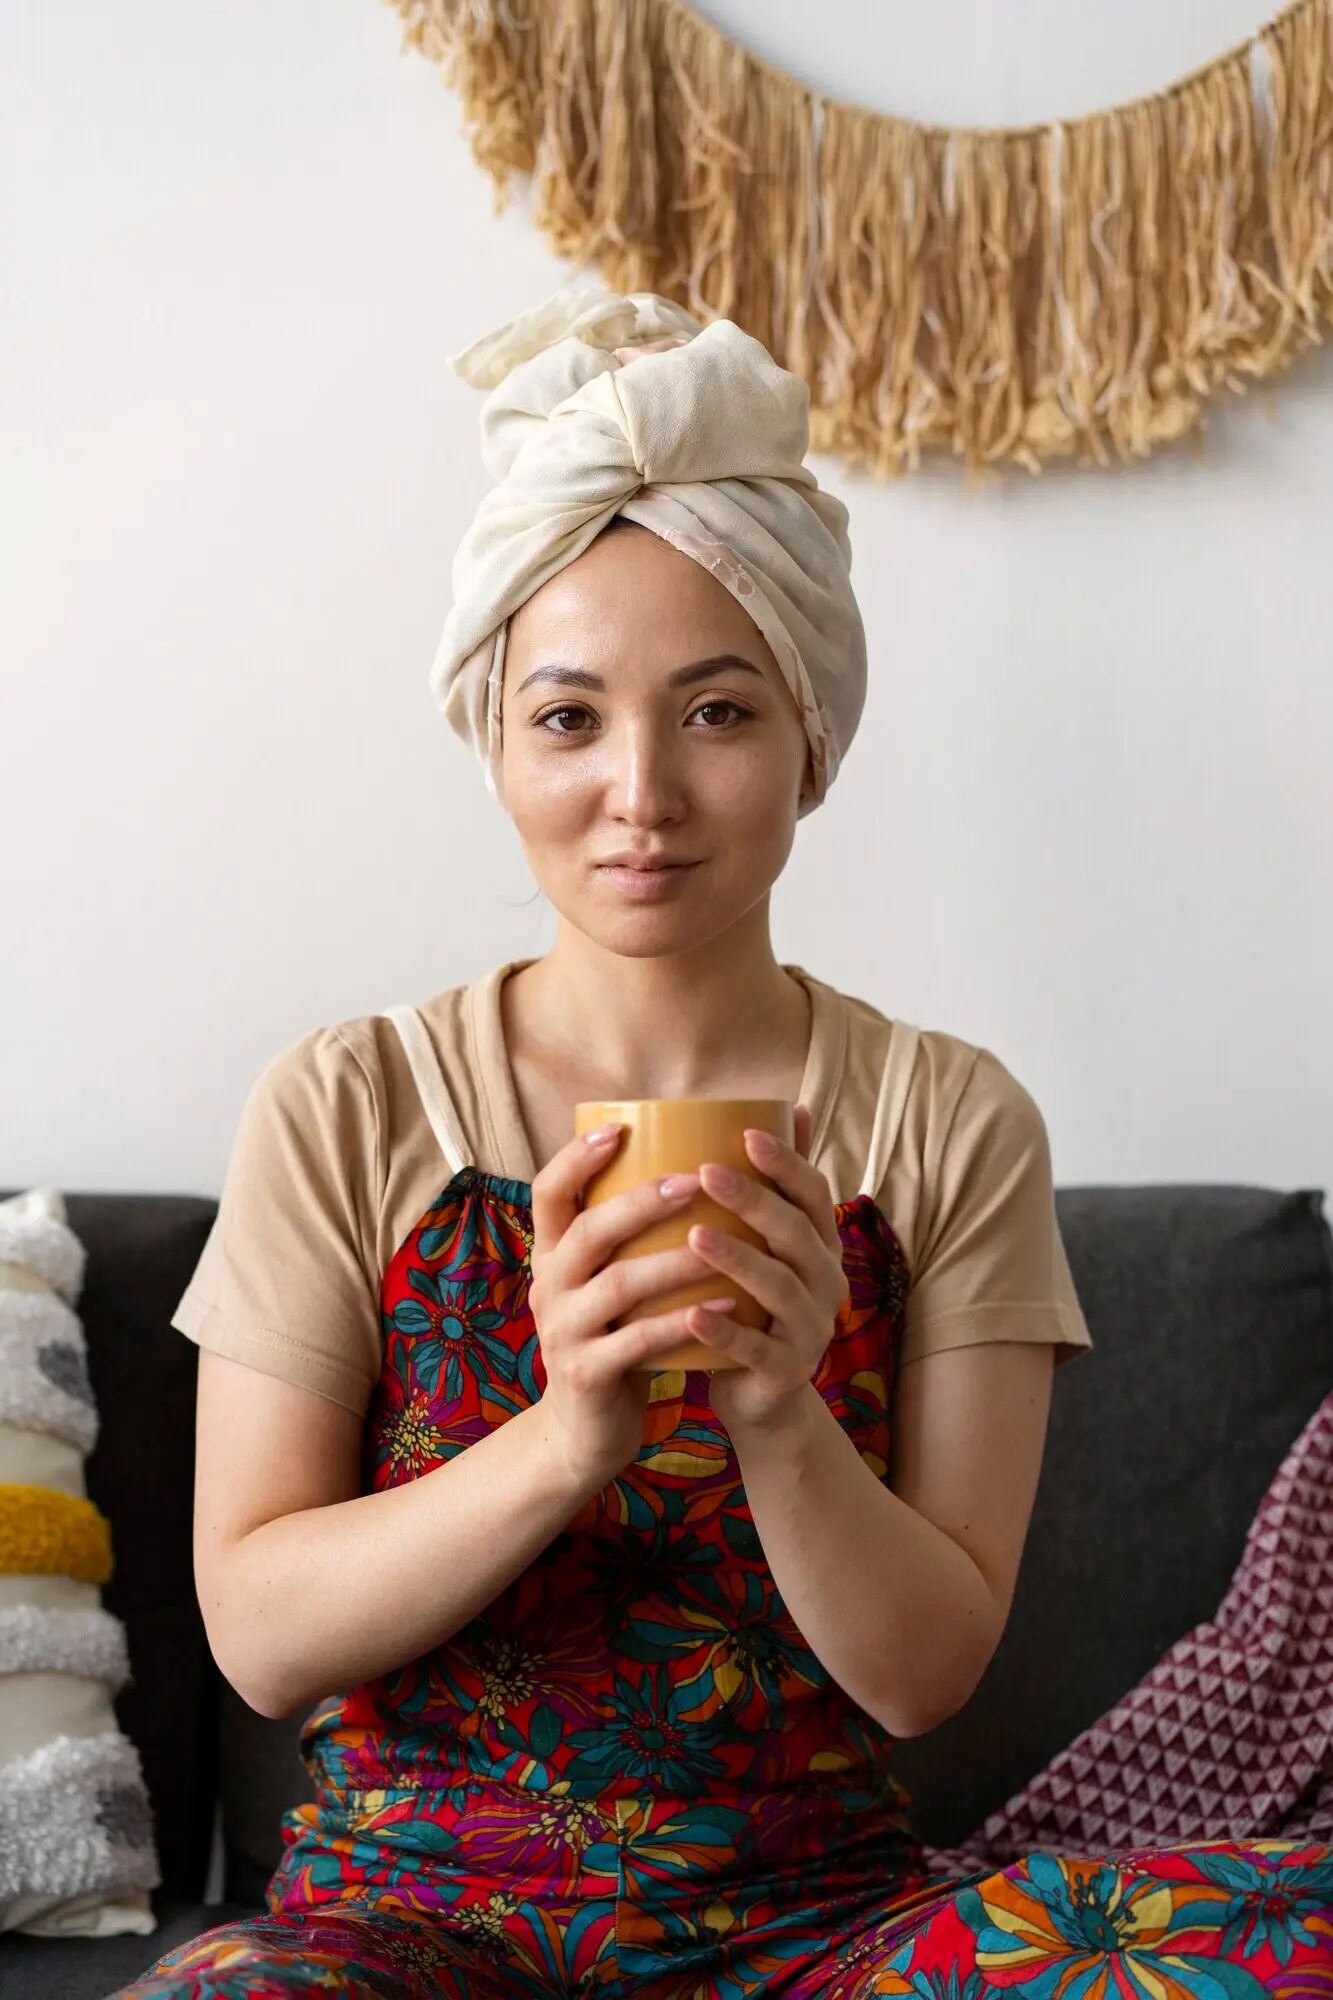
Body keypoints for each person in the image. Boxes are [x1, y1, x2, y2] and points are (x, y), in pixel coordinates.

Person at [118, 290, 1333, 1999]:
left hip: (819, 1940)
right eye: (567, 718)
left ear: (810, 735)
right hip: (404, 1935)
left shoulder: (950, 1120)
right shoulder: (347, 1101)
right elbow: (256, 1636)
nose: (641, 793)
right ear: (495, 741)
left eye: (716, 710)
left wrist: (780, 1408)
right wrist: (569, 1435)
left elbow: (924, 1676)